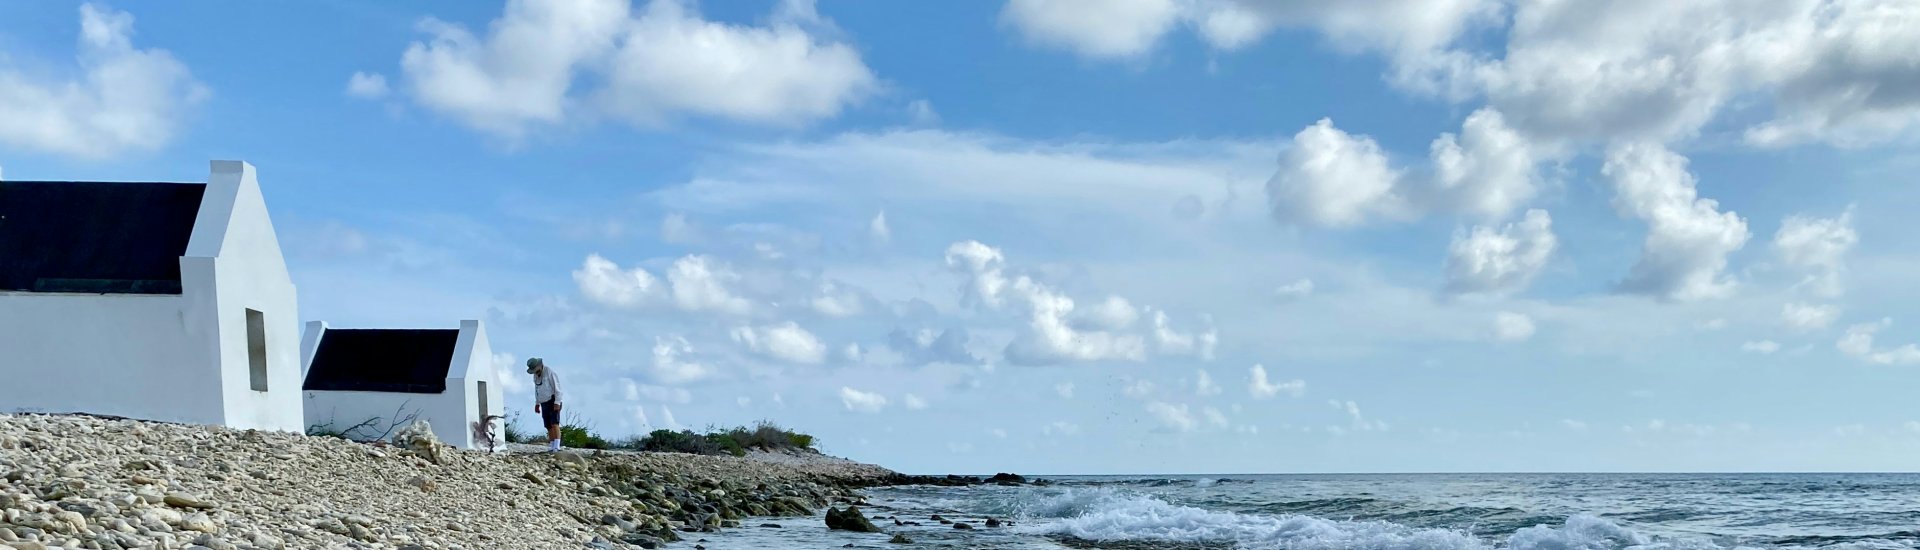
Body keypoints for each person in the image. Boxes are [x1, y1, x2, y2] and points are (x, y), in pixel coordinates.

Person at [526, 357, 563, 451]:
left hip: (553, 400)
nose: (535, 372)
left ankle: (557, 446)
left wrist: (557, 402)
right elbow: (537, 390)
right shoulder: (535, 376)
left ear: (540, 366)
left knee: (555, 423)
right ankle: (552, 445)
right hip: (543, 402)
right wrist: (537, 403)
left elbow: (557, 388)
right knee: (548, 425)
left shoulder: (550, 372)